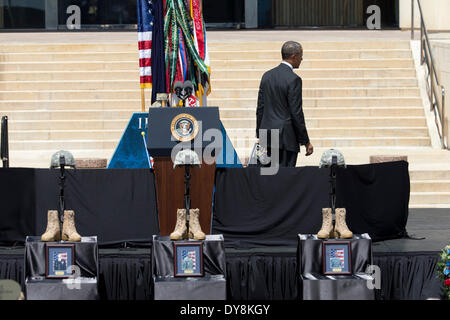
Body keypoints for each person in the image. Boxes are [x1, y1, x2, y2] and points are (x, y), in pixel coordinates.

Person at [256, 41, 314, 167]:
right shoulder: (294, 79)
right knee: (285, 180)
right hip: (285, 139)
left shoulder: (267, 76)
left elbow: (260, 107)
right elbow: (296, 112)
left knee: (268, 176)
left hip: (268, 136)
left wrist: (260, 134)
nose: (302, 59)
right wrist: (306, 141)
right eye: (301, 55)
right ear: (293, 56)